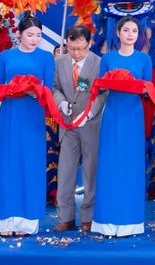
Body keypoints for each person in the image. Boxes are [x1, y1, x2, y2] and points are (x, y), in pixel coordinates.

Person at [0, 12, 54, 237]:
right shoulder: (5, 56)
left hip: (32, 115)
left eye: (38, 35)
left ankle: (25, 222)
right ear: (19, 34)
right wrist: (13, 89)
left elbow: (49, 90)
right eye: (30, 34)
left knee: (29, 164)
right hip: (9, 115)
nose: (35, 39)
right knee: (7, 163)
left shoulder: (46, 57)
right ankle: (4, 220)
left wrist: (34, 91)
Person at [92, 16, 152, 237]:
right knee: (109, 164)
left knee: (131, 166)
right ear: (117, 33)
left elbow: (147, 90)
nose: (130, 34)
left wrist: (138, 86)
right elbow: (100, 86)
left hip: (133, 117)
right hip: (112, 115)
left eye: (134, 31)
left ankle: (130, 222)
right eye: (125, 30)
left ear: (138, 35)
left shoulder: (144, 60)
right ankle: (105, 221)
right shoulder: (107, 58)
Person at [51, 25, 107, 233]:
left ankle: (88, 217)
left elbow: (103, 93)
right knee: (65, 172)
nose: (75, 53)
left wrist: (90, 113)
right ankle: (65, 217)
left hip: (90, 125)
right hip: (67, 125)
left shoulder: (100, 63)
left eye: (80, 49)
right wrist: (61, 103)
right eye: (71, 48)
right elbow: (55, 88)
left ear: (90, 43)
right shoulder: (59, 62)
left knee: (91, 172)